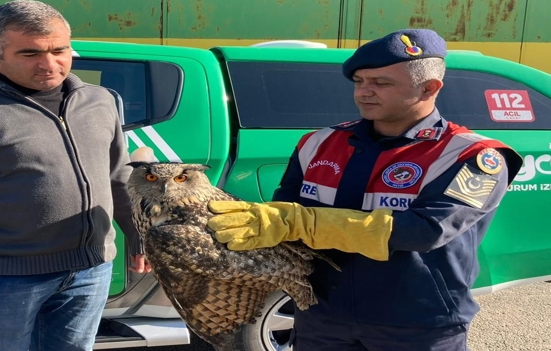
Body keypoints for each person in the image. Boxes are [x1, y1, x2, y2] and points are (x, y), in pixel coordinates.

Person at [206, 29, 523, 351]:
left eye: (381, 83)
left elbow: (424, 232)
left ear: (429, 87)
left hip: (416, 322)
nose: (364, 92)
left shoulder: (471, 155)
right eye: (359, 81)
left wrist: (303, 222)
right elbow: (285, 214)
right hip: (321, 314)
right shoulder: (319, 143)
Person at [0, 1, 150, 350]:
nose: (49, 64)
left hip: (90, 272)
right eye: (30, 53)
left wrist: (139, 235)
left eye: (59, 50)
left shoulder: (100, 101)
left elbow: (118, 176)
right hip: (3, 281)